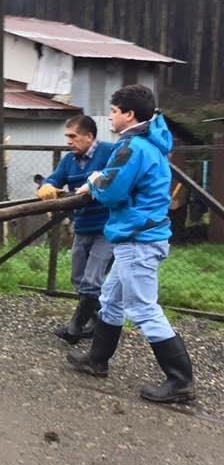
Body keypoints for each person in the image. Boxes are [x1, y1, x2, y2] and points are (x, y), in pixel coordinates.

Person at [69, 84, 195, 403]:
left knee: (143, 308)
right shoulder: (149, 144)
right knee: (111, 301)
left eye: (113, 111)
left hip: (138, 238)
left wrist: (94, 181)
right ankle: (97, 360)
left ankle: (181, 381)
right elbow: (116, 181)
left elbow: (111, 191)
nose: (109, 117)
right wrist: (99, 179)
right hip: (138, 235)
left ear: (129, 114)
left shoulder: (133, 147)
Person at [36, 115, 116, 343]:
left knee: (92, 279)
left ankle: (75, 327)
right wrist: (47, 185)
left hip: (107, 227)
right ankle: (100, 322)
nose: (69, 141)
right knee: (78, 277)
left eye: (73, 136)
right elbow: (55, 178)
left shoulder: (109, 152)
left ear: (89, 136)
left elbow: (117, 177)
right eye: (67, 136)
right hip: (83, 225)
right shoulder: (70, 160)